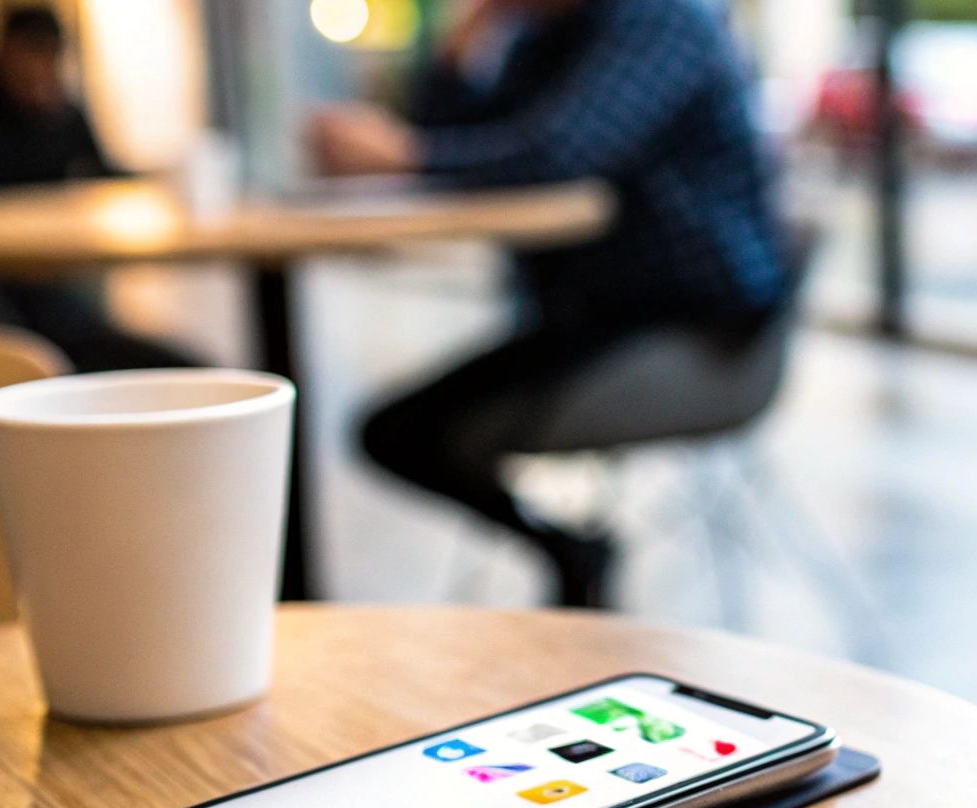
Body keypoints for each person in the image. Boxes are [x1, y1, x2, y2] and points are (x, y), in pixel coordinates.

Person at [313, 0, 788, 607]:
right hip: (593, 321)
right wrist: (463, 47)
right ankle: (573, 553)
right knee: (392, 432)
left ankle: (576, 559)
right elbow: (468, 141)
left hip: (695, 329)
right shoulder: (545, 36)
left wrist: (405, 154)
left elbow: (557, 151)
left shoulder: (662, 16)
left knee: (412, 433)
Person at [0, 6, 194, 371]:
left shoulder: (58, 111)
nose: (39, 68)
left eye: (49, 57)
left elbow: (102, 172)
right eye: (30, 54)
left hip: (47, 291)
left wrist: (160, 181)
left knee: (178, 362)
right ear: (2, 51)